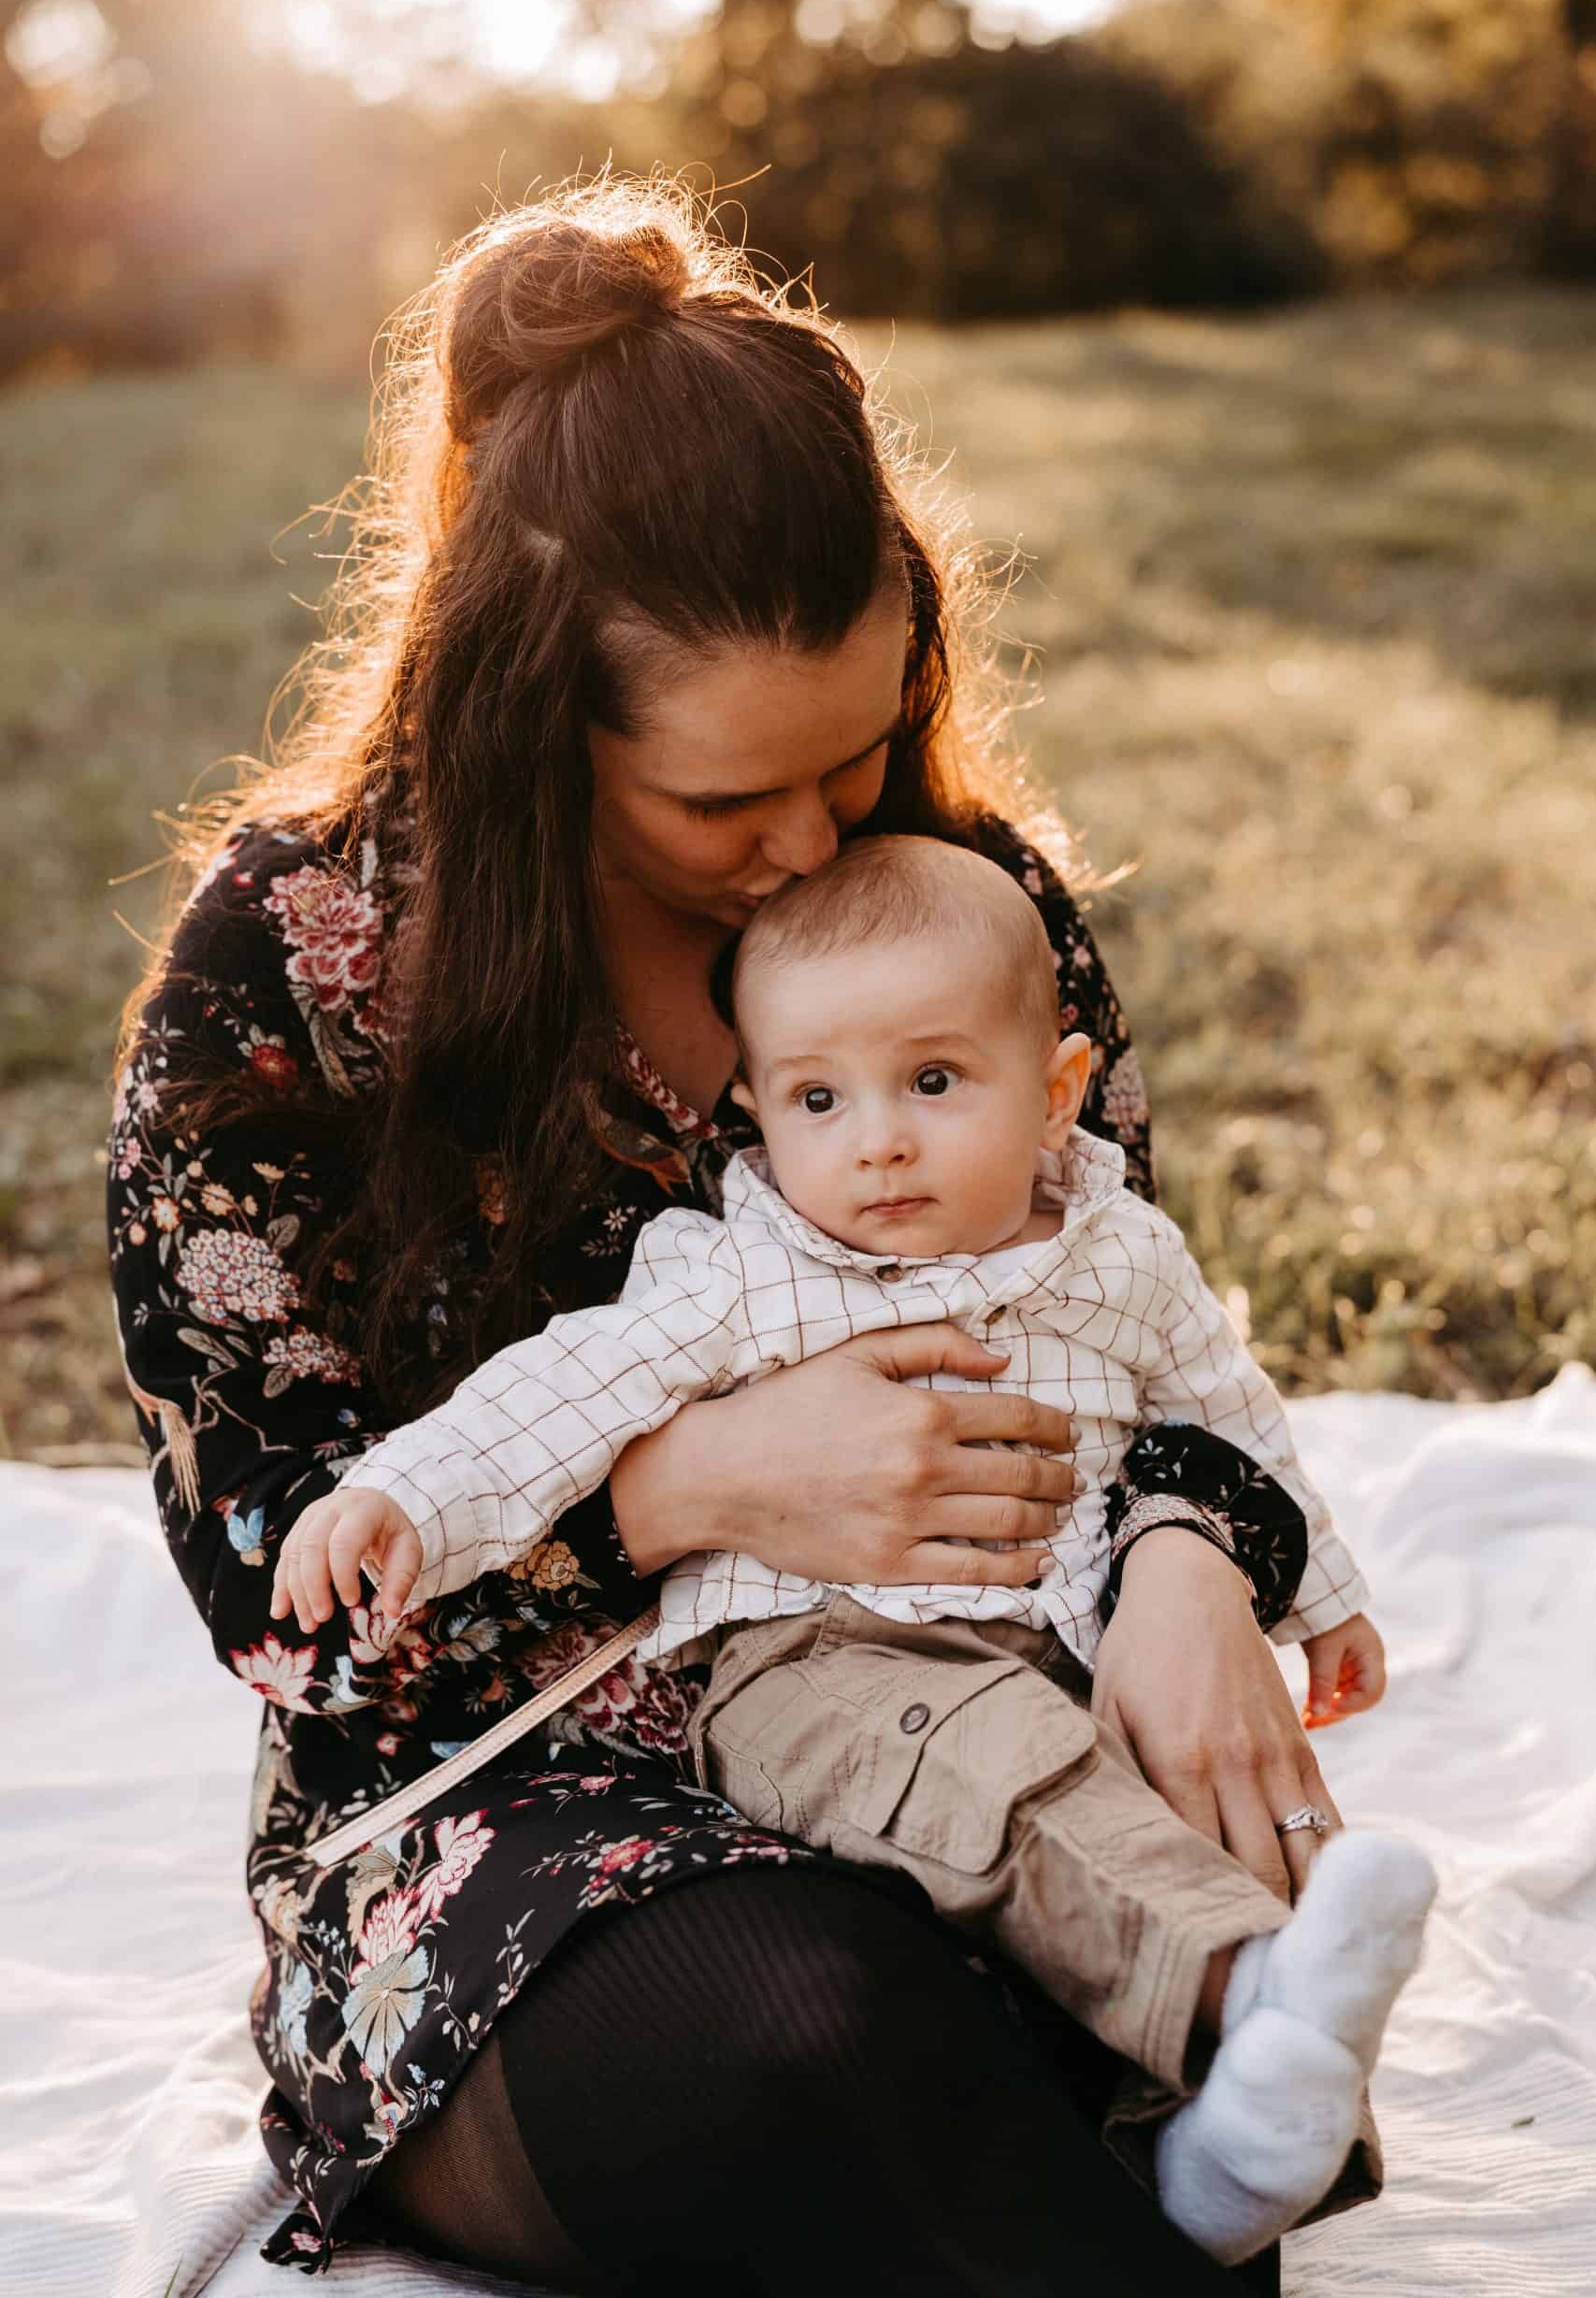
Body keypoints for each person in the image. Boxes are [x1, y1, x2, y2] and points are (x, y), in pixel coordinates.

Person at [110, 170, 1374, 2295]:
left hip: (990, 1716)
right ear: (530, 706)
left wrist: (1188, 1555)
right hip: (519, 1800)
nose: (809, 839)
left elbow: (1123, 1304)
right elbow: (278, 1594)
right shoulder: (290, 969)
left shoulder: (965, 910)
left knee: (1142, 1991)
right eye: (722, 801)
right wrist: (681, 1488)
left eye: (855, 756)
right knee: (816, 2037)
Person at [285, 833, 1433, 2267]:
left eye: (933, 1083)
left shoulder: (1124, 1254)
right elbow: (562, 1395)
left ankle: (1218, 2157)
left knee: (1145, 1809)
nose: (877, 1140)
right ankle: (1243, 1985)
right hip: (822, 1659)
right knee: (1015, 1784)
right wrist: (405, 1497)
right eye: (820, 1099)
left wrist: (1321, 1597)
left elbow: (1226, 1415)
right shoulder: (747, 1269)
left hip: (1060, 1644)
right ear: (760, 1112)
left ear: (1056, 1090)